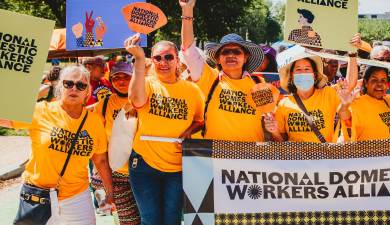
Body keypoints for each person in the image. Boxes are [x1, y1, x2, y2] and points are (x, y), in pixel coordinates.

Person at [5, 65, 113, 225]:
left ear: (87, 92)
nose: (74, 88)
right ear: (60, 86)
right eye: (68, 83)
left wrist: (110, 191)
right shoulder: (41, 110)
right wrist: (32, 94)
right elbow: (4, 118)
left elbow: (101, 160)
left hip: (77, 198)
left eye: (81, 85)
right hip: (38, 196)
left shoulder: (94, 122)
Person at [124, 33, 204, 225]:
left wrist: (189, 132)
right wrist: (139, 60)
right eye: (158, 58)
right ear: (152, 60)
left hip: (177, 167)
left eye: (168, 57)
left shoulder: (192, 91)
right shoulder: (147, 84)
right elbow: (136, 101)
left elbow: (200, 120)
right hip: (143, 164)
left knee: (172, 221)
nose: (163, 62)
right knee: (150, 221)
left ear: (177, 60)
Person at [180, 0, 267, 142]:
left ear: (245, 58)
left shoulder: (259, 82)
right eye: (225, 52)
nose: (231, 55)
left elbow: (268, 118)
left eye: (236, 52)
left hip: (252, 159)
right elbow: (188, 49)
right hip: (215, 157)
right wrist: (187, 12)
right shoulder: (209, 78)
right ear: (218, 59)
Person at [263, 46, 358, 143]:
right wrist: (274, 132)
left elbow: (349, 85)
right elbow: (280, 143)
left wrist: (352, 55)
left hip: (324, 156)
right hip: (296, 157)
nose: (303, 73)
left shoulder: (328, 94)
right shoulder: (283, 104)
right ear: (292, 75)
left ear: (315, 75)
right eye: (298, 69)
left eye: (307, 69)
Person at [92, 62, 140, 224]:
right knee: (128, 220)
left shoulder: (144, 99)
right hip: (117, 174)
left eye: (126, 76)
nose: (121, 81)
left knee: (151, 217)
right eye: (116, 77)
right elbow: (98, 143)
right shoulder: (104, 104)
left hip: (146, 171)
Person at [349, 66, 390, 141]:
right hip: (366, 152)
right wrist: (344, 106)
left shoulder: (389, 101)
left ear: (387, 85)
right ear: (366, 83)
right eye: (374, 80)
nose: (379, 84)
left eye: (383, 80)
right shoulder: (357, 103)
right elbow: (345, 115)